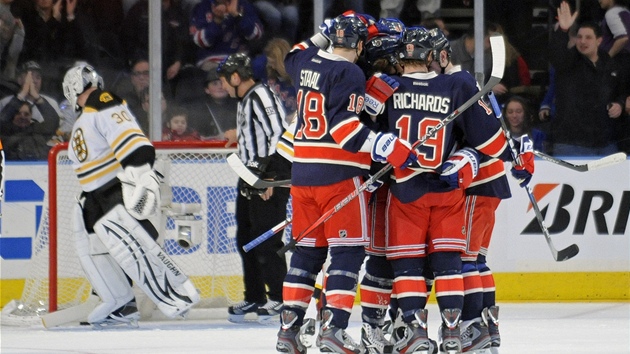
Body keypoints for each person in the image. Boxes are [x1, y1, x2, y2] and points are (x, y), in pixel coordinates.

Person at [380, 26, 531, 353]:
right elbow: (493, 139)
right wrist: (515, 151)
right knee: (466, 259)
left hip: (458, 186)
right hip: (464, 185)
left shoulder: (447, 85)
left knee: (454, 261)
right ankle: (470, 328)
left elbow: (486, 140)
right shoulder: (459, 86)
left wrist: (506, 151)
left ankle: (469, 326)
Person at [276, 12, 417, 354]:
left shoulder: (305, 61)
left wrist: (327, 30)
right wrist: (388, 146)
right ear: (357, 45)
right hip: (338, 176)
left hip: (302, 175)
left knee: (306, 258)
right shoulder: (350, 71)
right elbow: (345, 131)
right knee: (347, 254)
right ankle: (333, 331)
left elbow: (294, 51)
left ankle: (289, 333)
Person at [60, 63, 199, 327]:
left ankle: (175, 294)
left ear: (74, 87)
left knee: (132, 243)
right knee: (95, 246)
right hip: (93, 194)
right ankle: (118, 301)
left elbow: (132, 140)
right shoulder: (87, 115)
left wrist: (140, 172)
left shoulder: (103, 101)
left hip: (111, 189)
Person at [215, 52, 290, 324]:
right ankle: (256, 296)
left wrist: (268, 177)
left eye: (224, 80)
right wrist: (239, 135)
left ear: (236, 77)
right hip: (249, 176)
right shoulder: (247, 99)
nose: (222, 86)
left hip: (267, 177)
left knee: (266, 241)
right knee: (246, 240)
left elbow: (280, 134)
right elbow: (261, 132)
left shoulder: (261, 95)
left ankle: (280, 300)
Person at [549, 1, 626, 156]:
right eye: (580, 37)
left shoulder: (610, 64)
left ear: (599, 41)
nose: (583, 41)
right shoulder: (569, 61)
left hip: (605, 144)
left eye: (588, 37)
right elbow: (557, 55)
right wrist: (563, 30)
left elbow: (621, 91)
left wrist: (620, 103)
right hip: (571, 143)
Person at [190, 0, 263, 71]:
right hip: (212, 62)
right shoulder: (202, 7)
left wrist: (237, 16)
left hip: (240, 60)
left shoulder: (244, 5)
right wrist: (216, 21)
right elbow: (200, 41)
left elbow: (256, 35)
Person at [186, 69, 238, 139]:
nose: (220, 87)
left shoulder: (239, 106)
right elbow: (194, 136)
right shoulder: (197, 110)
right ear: (207, 90)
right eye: (215, 84)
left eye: (223, 83)